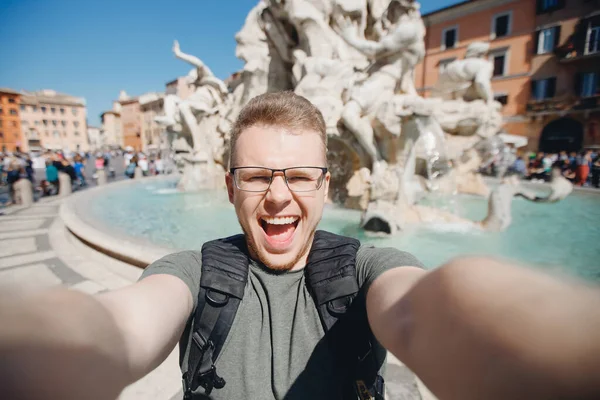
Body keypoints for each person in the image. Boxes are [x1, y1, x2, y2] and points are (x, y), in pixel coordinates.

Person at [1, 92, 600, 400]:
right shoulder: (191, 271)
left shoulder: (365, 266)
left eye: (299, 176)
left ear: (325, 185)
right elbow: (118, 328)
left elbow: (426, 309)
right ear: (231, 186)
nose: (279, 197)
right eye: (259, 176)